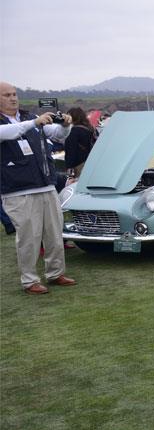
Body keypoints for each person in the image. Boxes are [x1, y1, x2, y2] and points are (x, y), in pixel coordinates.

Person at [0, 81, 76, 294]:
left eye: (14, 94)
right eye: (7, 95)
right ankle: (29, 280)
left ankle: (55, 273)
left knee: (54, 234)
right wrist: (35, 123)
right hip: (18, 190)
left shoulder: (29, 118)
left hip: (46, 185)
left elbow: (58, 135)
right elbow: (9, 132)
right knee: (28, 238)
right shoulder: (26, 122)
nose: (13, 98)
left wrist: (66, 125)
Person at [63, 107, 98, 178]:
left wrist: (69, 167)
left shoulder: (73, 132)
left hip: (78, 165)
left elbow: (71, 151)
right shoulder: (91, 129)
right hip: (92, 163)